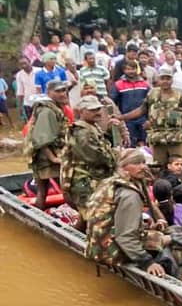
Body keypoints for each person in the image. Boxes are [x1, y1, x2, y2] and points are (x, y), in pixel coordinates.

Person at [84, 148, 171, 277]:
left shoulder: (110, 182)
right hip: (113, 250)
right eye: (136, 163)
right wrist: (147, 262)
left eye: (143, 162)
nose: (143, 166)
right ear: (124, 168)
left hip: (99, 247)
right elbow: (125, 237)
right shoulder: (130, 195)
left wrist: (155, 222)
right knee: (170, 240)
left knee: (164, 235)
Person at [123, 65, 182, 165]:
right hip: (157, 139)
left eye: (168, 78)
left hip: (176, 139)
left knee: (179, 166)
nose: (165, 81)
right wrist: (121, 117)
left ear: (172, 80)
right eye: (162, 78)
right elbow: (141, 110)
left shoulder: (180, 95)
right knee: (158, 167)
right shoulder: (152, 94)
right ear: (158, 79)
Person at [60, 95, 117, 215]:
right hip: (85, 182)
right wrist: (117, 157)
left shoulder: (92, 127)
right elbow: (96, 158)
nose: (97, 112)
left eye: (98, 109)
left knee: (88, 216)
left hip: (94, 179)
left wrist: (109, 132)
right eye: (92, 110)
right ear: (81, 111)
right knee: (92, 216)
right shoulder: (82, 133)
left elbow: (102, 147)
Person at [25, 79, 70, 209]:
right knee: (66, 190)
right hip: (47, 158)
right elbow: (41, 138)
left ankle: (38, 218)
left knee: (42, 191)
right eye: (58, 91)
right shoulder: (47, 111)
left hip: (42, 157)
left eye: (64, 90)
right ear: (49, 92)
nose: (62, 93)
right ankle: (82, 223)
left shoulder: (54, 108)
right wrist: (54, 158)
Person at [110, 59, 150, 146]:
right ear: (124, 70)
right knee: (130, 144)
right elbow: (112, 102)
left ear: (137, 69)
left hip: (142, 119)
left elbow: (150, 103)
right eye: (128, 69)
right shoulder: (118, 84)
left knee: (144, 143)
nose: (131, 71)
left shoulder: (144, 84)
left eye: (133, 69)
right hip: (126, 119)